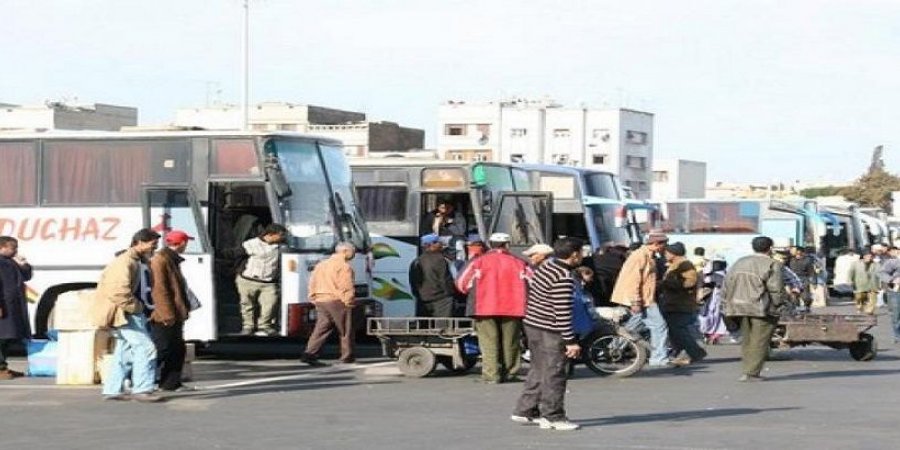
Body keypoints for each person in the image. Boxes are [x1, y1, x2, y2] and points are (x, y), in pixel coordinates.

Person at [511, 237, 583, 431]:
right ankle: (553, 415)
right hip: (551, 329)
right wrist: (571, 341)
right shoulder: (563, 277)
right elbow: (562, 312)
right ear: (574, 254)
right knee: (555, 372)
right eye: (581, 252)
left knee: (538, 368)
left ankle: (525, 410)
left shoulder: (545, 268)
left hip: (533, 324)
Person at [92, 228, 163, 402]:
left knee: (124, 351)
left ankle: (112, 389)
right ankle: (142, 389)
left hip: (126, 312)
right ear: (139, 242)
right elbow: (118, 292)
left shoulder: (134, 260)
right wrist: (137, 307)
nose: (154, 248)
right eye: (152, 244)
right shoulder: (124, 262)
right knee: (146, 348)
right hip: (125, 313)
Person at [456, 233, 530, 383]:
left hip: (483, 306)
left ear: (490, 244)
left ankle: (491, 375)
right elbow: (533, 282)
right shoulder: (519, 262)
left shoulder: (478, 262)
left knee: (488, 341)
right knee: (511, 341)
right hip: (513, 307)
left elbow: (461, 283)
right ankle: (510, 372)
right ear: (508, 244)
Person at [723, 236, 787, 382]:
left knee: (747, 339)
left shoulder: (739, 262)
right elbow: (775, 288)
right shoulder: (772, 264)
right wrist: (780, 304)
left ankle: (747, 369)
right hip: (761, 307)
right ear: (770, 248)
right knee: (760, 340)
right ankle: (751, 373)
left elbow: (726, 284)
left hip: (738, 305)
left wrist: (726, 304)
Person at [610, 232, 672, 368]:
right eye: (664, 244)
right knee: (659, 326)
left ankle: (614, 347)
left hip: (645, 298)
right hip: (642, 299)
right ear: (656, 244)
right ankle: (659, 359)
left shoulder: (647, 256)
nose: (665, 248)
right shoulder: (640, 256)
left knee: (635, 326)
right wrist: (635, 301)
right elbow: (634, 281)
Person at [148, 230, 193, 392]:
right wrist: (167, 314)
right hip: (165, 315)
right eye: (186, 243)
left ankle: (171, 383)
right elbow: (160, 290)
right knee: (162, 348)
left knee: (177, 349)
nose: (186, 246)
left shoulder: (171, 259)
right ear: (181, 243)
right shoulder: (160, 260)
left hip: (175, 312)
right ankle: (138, 380)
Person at [301, 242, 357, 366]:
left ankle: (310, 353)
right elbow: (346, 287)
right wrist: (349, 302)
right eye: (353, 251)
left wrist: (313, 297)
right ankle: (347, 356)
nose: (354, 254)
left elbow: (312, 282)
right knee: (345, 330)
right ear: (345, 251)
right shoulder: (344, 267)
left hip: (321, 300)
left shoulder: (321, 265)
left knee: (321, 328)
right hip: (337, 301)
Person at [232, 224, 288, 336]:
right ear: (270, 234)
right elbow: (235, 254)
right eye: (280, 235)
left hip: (268, 282)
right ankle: (248, 326)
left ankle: (265, 325)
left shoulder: (281, 247)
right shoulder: (251, 244)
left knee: (270, 304)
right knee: (246, 304)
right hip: (247, 279)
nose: (282, 238)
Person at [659, 242, 706, 366]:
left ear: (673, 253)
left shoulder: (685, 264)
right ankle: (681, 354)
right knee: (674, 331)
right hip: (673, 302)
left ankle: (695, 352)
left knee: (679, 330)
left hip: (680, 303)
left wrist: (668, 284)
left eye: (667, 252)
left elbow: (690, 282)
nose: (665, 254)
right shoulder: (675, 264)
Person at [0, 237, 32, 380]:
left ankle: (4, 366)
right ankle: (1, 368)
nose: (15, 251)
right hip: (4, 305)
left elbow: (26, 276)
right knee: (1, 337)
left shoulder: (11, 261)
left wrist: (24, 264)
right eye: (13, 248)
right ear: (2, 247)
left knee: (8, 338)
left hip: (13, 306)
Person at [409, 234, 457, 317]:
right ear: (431, 245)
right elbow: (445, 280)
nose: (441, 244)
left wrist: (419, 295)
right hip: (441, 300)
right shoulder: (440, 259)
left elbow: (413, 283)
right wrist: (450, 294)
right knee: (442, 327)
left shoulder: (416, 261)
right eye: (439, 242)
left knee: (425, 327)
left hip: (423, 299)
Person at [877, 250, 900, 344]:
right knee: (896, 315)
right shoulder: (893, 262)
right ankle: (897, 335)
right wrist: (892, 280)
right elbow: (881, 273)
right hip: (896, 292)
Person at [850, 249, 879, 315]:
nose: (870, 258)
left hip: (872, 284)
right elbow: (851, 272)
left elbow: (880, 273)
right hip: (860, 284)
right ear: (864, 256)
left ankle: (869, 310)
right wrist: (850, 281)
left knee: (873, 298)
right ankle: (859, 306)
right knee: (859, 297)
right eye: (868, 256)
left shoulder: (876, 264)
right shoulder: (855, 264)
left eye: (871, 256)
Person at [788, 247, 816, 312]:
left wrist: (814, 282)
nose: (798, 255)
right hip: (793, 280)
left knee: (806, 297)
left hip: (804, 279)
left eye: (799, 253)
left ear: (802, 253)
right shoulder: (790, 259)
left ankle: (807, 306)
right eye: (796, 253)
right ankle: (796, 309)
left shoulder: (807, 260)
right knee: (794, 297)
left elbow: (811, 272)